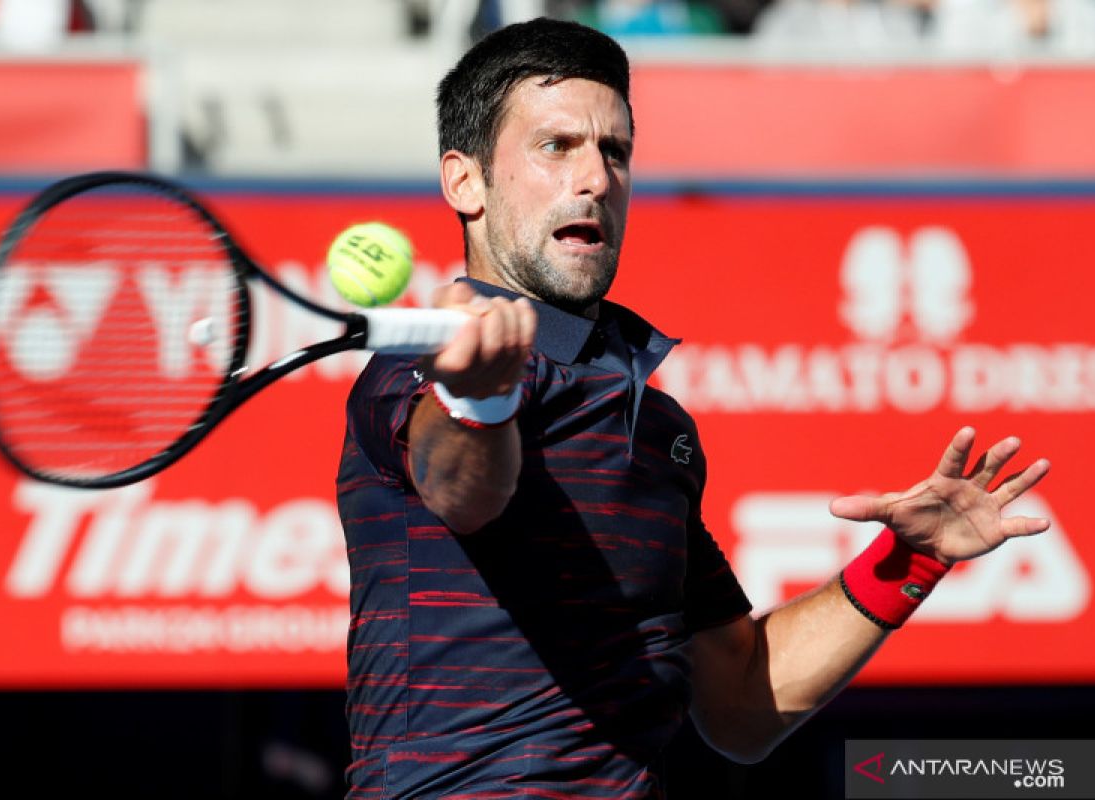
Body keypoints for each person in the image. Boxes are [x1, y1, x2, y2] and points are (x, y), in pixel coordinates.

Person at [336, 17, 1051, 799]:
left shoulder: (658, 427)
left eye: (615, 152)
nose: (597, 179)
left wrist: (912, 560)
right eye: (557, 147)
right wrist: (480, 394)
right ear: (464, 181)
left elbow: (741, 703)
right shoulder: (415, 371)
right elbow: (466, 488)